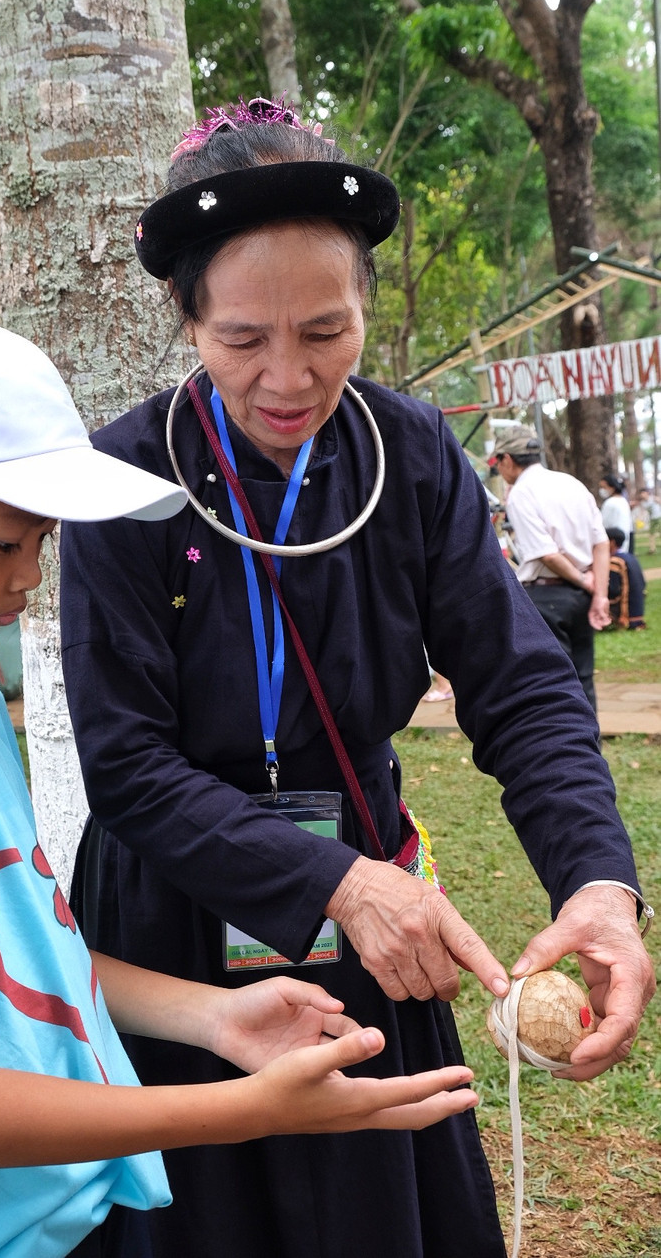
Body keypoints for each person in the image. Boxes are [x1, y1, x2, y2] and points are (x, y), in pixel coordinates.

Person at [59, 98, 655, 1258]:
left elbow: (519, 684)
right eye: (243, 339)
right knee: (203, 1221)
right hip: (180, 918)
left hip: (374, 906)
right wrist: (339, 883)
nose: (289, 377)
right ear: (187, 321)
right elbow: (125, 762)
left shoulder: (413, 452)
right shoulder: (123, 476)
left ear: (366, 309)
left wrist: (598, 882)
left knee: (381, 1210)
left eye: (327, 330)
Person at [0, 314, 482, 1258]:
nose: (32, 577)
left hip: (73, 1213)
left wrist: (216, 1016)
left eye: (43, 543)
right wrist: (244, 1111)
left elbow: (19, 960)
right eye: (3, 544)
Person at [493, 424, 610, 712]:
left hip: (547, 597)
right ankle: (591, 750)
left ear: (507, 459)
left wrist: (585, 581)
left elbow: (547, 554)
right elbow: (601, 543)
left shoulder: (521, 493)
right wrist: (599, 594)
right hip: (581, 596)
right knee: (583, 677)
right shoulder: (571, 483)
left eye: (498, 462)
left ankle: (568, 752)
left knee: (553, 682)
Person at [606, 526, 647, 629]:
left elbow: (613, 591)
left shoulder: (615, 562)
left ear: (612, 542)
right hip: (638, 612)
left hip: (626, 612)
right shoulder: (630, 557)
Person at [599, 472, 634, 553]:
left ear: (612, 487)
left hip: (612, 542)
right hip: (624, 541)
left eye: (603, 487)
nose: (602, 490)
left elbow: (603, 524)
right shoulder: (623, 501)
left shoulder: (609, 503)